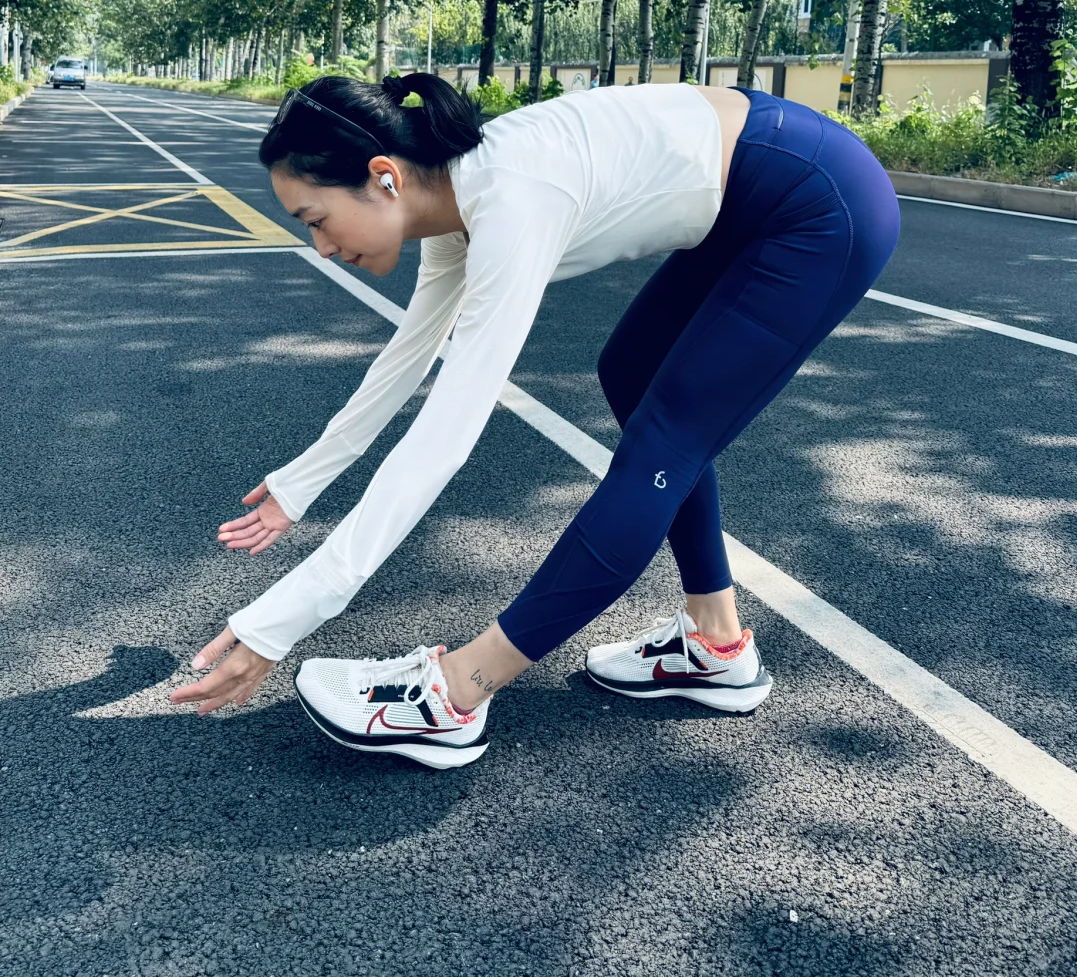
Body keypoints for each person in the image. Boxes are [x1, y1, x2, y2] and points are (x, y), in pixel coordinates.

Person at [172, 72, 900, 769]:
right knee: (631, 373)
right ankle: (716, 643)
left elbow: (443, 438)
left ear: (384, 176)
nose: (322, 247)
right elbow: (406, 357)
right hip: (755, 193)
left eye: (317, 219)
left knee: (665, 437)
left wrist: (281, 620)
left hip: (819, 199)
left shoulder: (512, 200)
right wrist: (299, 484)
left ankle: (459, 692)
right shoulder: (454, 203)